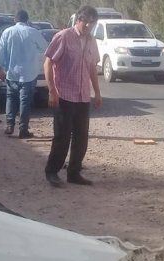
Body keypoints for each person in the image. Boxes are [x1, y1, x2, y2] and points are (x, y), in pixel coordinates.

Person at [43, 5, 102, 187]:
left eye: (92, 23)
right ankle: (52, 172)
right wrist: (52, 90)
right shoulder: (64, 36)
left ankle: (74, 173)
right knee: (62, 137)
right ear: (78, 20)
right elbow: (48, 62)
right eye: (86, 22)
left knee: (81, 137)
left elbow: (92, 68)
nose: (89, 26)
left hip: (82, 96)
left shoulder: (92, 41)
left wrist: (97, 93)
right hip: (64, 95)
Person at [0, 9, 48, 138]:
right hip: (29, 74)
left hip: (12, 73)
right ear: (27, 20)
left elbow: (1, 52)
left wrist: (0, 69)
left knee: (11, 98)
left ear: (15, 19)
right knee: (25, 101)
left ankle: (10, 126)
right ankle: (23, 129)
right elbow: (46, 48)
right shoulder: (33, 32)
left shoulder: (7, 32)